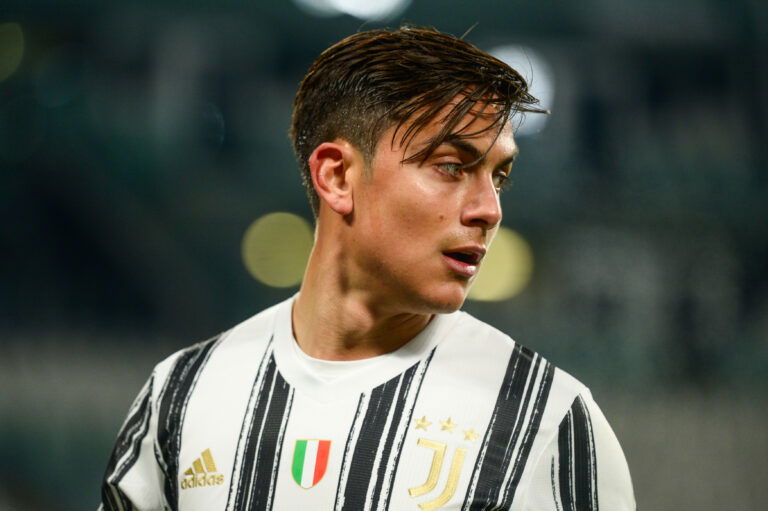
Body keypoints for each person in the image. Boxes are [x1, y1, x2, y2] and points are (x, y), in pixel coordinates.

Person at [100, 26, 635, 510]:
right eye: (452, 167)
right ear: (336, 176)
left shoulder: (549, 421)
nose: (489, 210)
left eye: (499, 177)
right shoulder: (180, 394)